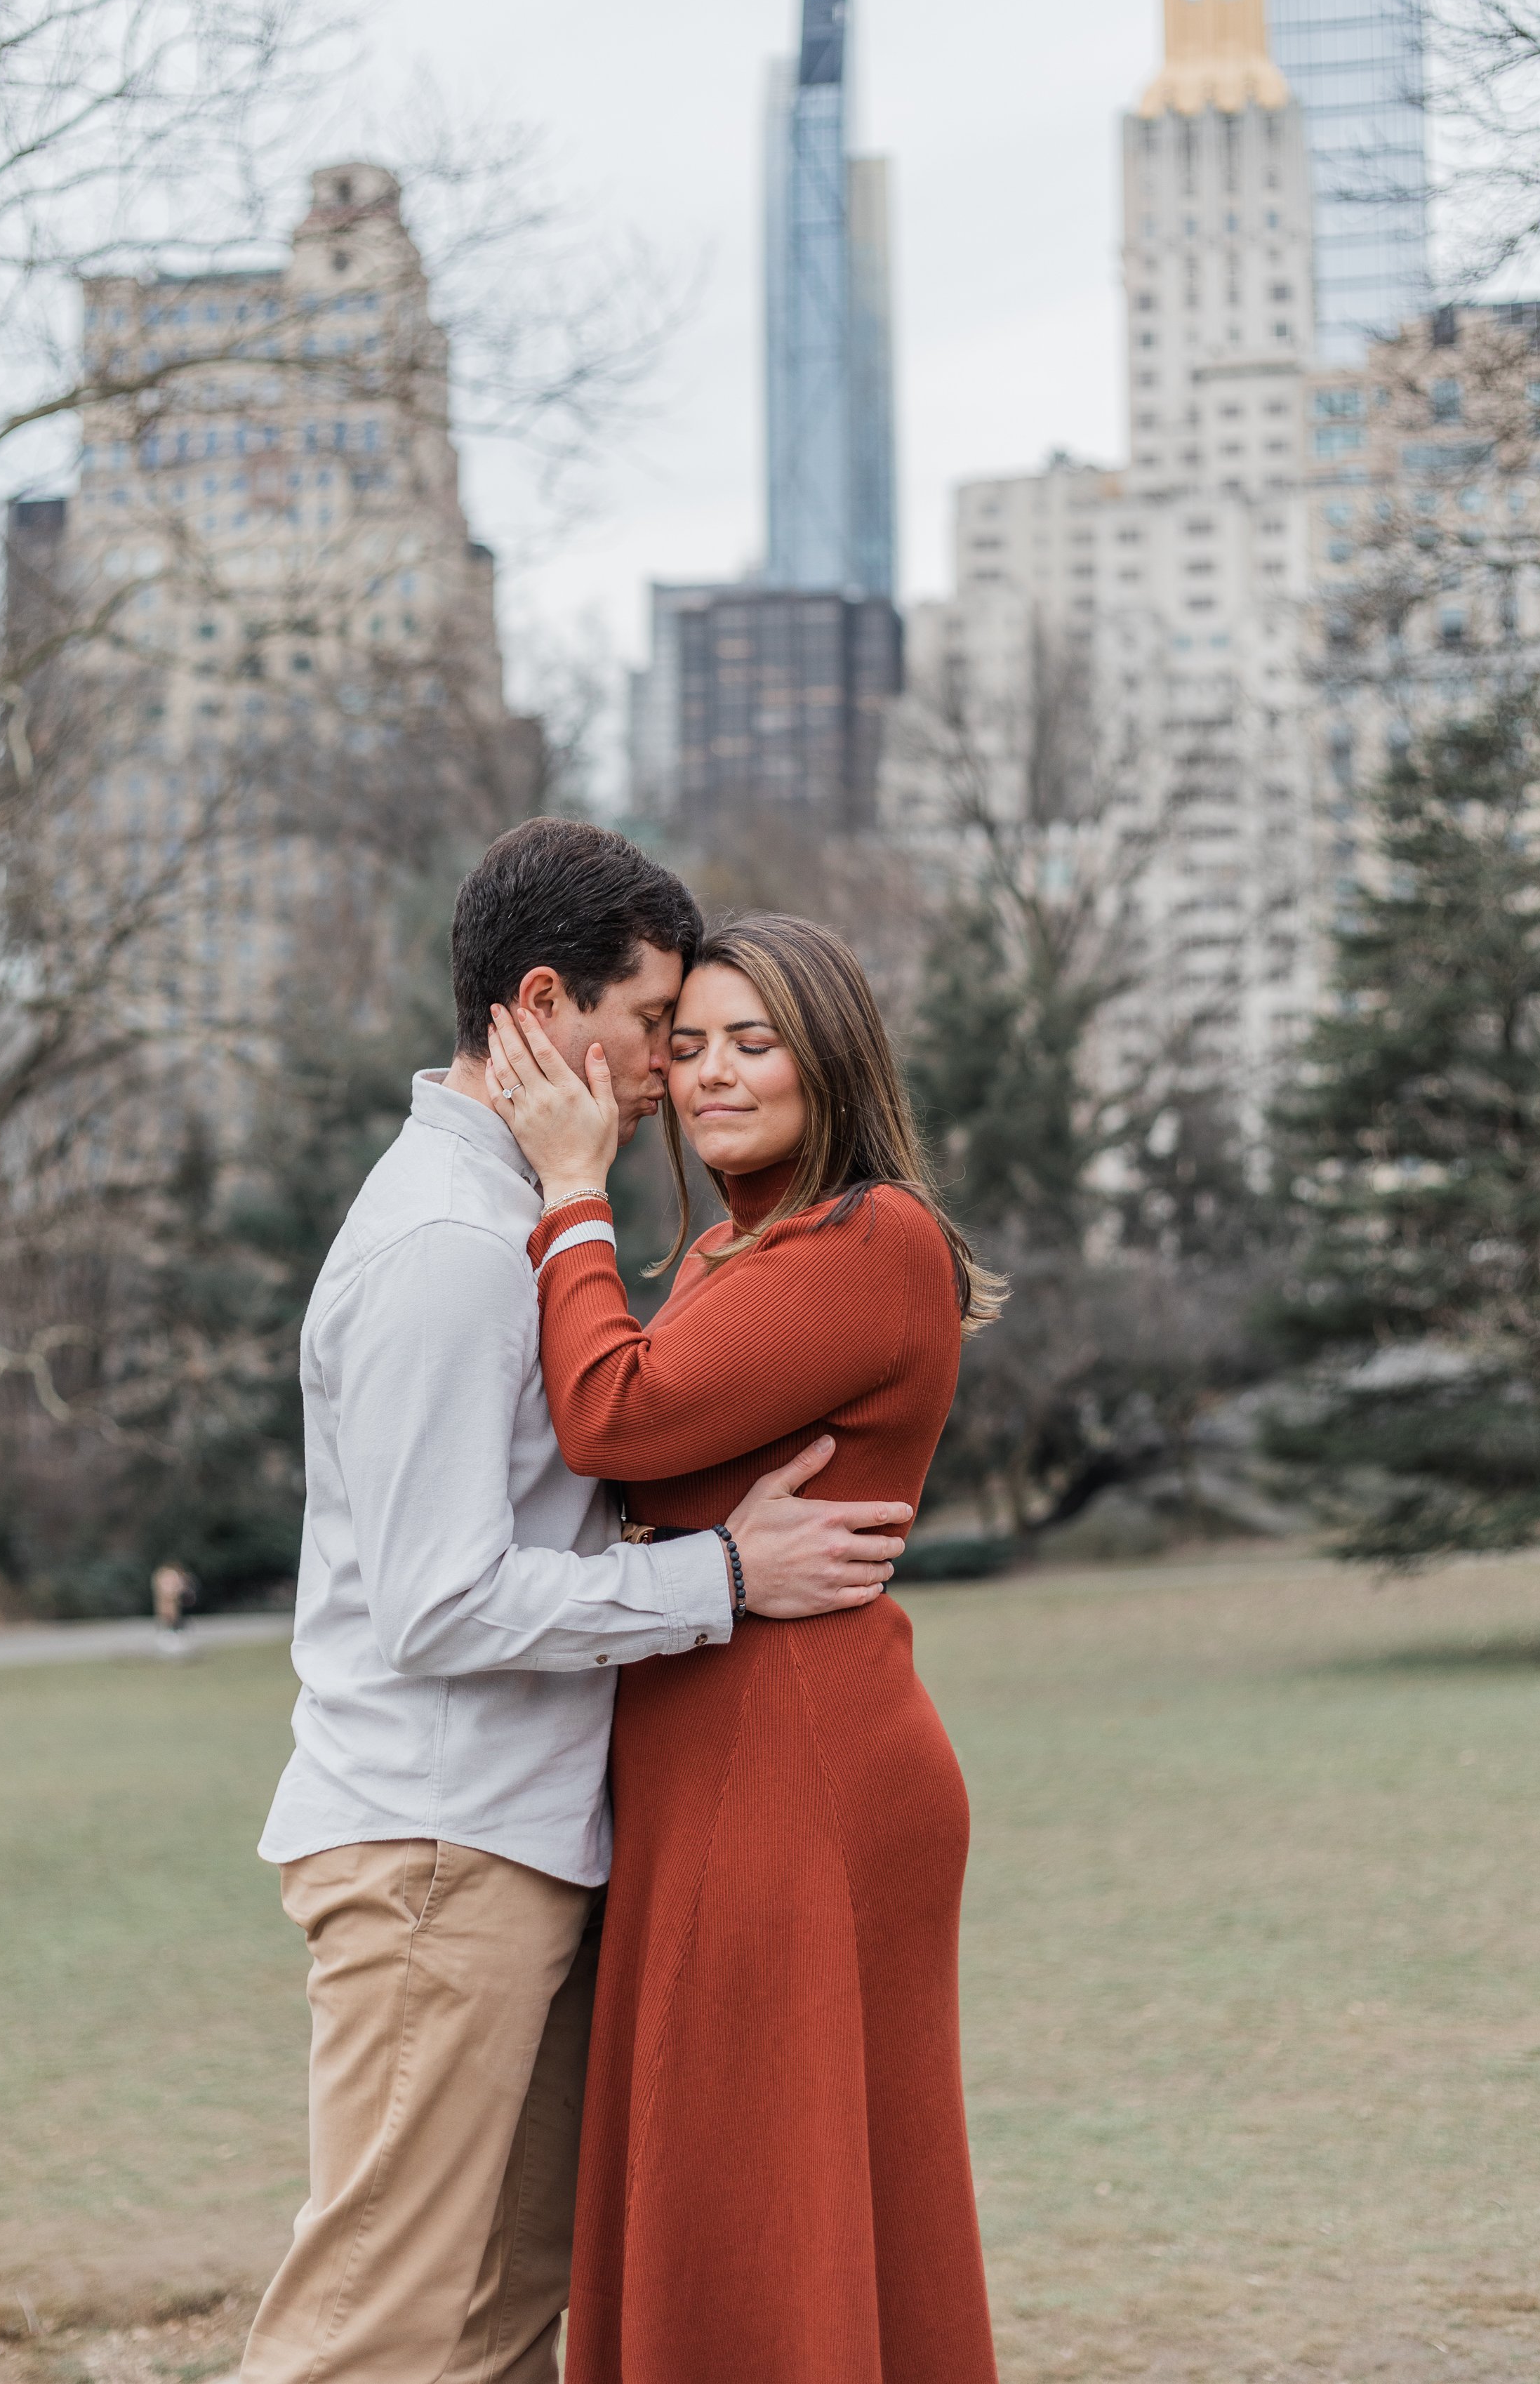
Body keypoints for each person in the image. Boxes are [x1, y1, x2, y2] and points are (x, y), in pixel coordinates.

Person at [241, 825, 915, 2384]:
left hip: (524, 1837)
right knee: (370, 2329)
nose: (674, 1069)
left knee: (497, 2318)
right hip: (431, 1850)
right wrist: (725, 1576)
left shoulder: (527, 1223)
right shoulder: (448, 1243)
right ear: (542, 1007)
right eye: (656, 1027)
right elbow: (435, 1602)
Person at [484, 908, 1007, 2384]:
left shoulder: (868, 1236)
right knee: (736, 2182)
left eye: (752, 1043)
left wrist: (571, 1190)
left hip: (796, 1768)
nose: (710, 1074)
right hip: (713, 1759)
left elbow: (617, 1416)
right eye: (688, 1042)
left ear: (829, 1058)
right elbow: (652, 1459)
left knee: (775, 2199)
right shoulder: (730, 1244)